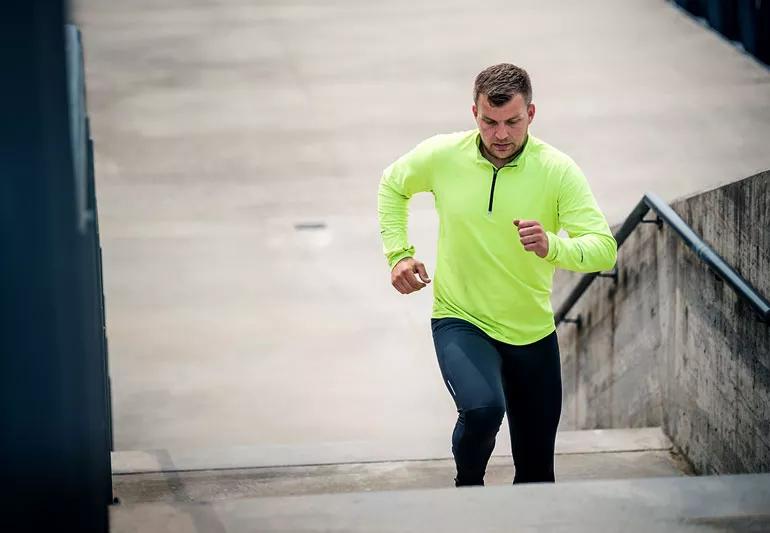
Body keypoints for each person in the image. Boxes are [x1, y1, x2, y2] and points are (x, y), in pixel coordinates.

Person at [377, 63, 617, 487]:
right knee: (483, 410)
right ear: (474, 113)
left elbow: (603, 249)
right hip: (461, 318)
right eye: (490, 122)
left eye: (513, 122)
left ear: (532, 114)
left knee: (538, 473)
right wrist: (399, 254)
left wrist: (552, 246)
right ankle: (468, 487)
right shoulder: (443, 155)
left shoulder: (557, 170)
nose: (501, 135)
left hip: (531, 332)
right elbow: (393, 185)